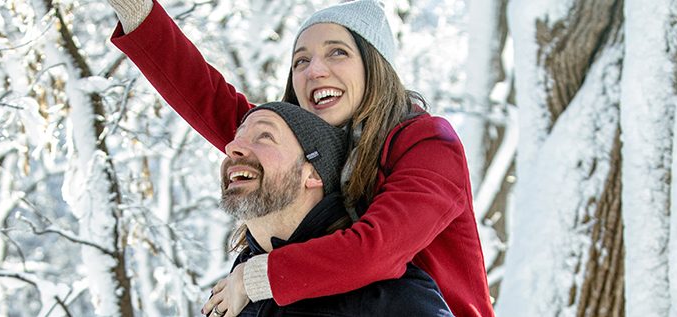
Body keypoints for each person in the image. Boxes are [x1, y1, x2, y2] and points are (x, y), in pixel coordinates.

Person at [107, 0, 494, 316]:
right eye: (301, 61)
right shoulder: (305, 150)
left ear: (375, 67)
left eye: (337, 52)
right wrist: (138, 14)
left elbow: (378, 249)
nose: (315, 71)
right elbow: (210, 100)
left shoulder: (426, 142)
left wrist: (255, 279)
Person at [211, 101, 452, 317]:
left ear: (313, 173)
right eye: (237, 137)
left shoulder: (384, 294)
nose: (233, 147)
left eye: (264, 136)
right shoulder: (234, 291)